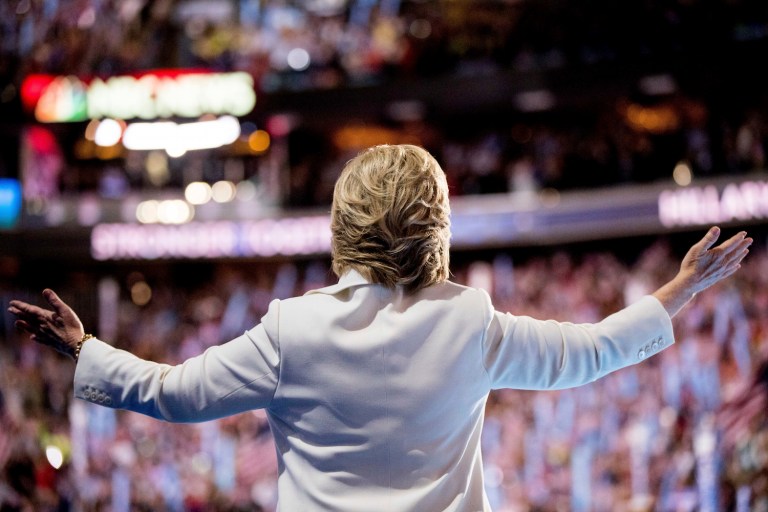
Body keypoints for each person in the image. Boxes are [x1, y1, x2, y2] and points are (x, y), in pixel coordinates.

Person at [8, 144, 752, 511]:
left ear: (343, 221)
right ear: (437, 224)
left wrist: (83, 348)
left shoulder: (290, 329)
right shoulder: (469, 322)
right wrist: (682, 287)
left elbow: (171, 396)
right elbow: (595, 352)